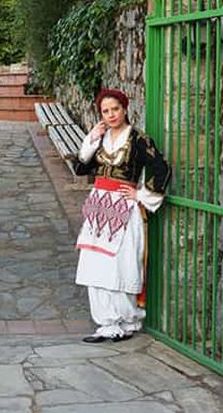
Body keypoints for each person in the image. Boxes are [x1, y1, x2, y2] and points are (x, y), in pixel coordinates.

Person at [70, 89, 171, 343]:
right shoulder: (100, 138)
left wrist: (141, 195)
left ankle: (127, 320)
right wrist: (91, 140)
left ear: (124, 108)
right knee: (95, 266)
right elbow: (81, 168)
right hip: (99, 206)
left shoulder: (138, 139)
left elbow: (161, 168)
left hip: (124, 207)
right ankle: (106, 323)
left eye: (115, 108)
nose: (111, 114)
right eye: (105, 111)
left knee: (120, 264)